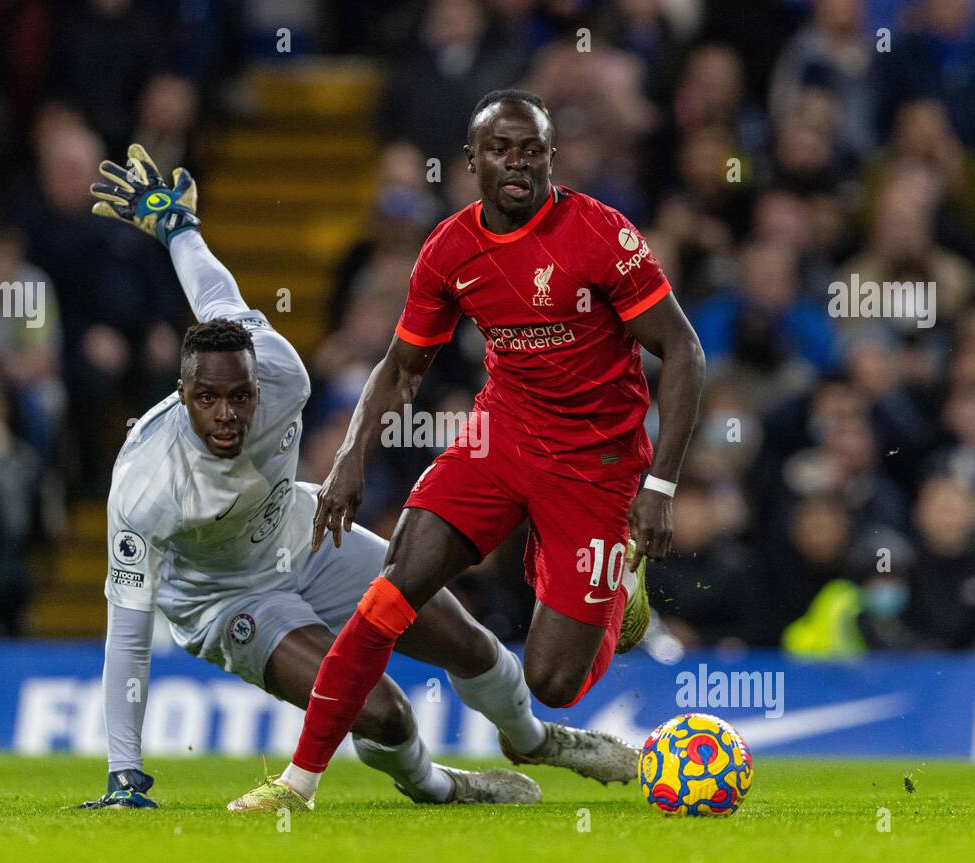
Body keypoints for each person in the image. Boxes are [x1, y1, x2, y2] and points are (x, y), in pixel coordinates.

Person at [79, 144, 639, 811]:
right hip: (227, 600)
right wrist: (123, 773)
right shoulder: (146, 484)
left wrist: (179, 228)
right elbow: (128, 630)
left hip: (307, 535)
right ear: (183, 391)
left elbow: (215, 294)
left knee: (469, 643)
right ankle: (441, 787)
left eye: (240, 398)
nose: (228, 415)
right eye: (208, 401)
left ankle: (535, 738)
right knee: (384, 713)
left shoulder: (282, 372)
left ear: (258, 382)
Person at [232, 90, 705, 812]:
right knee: (389, 594)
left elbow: (683, 351)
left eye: (532, 151)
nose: (517, 163)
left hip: (598, 464)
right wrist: (352, 458)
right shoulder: (452, 248)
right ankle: (299, 783)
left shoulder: (600, 235)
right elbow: (399, 369)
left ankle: (619, 595)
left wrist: (661, 488)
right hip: (501, 438)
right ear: (471, 161)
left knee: (553, 681)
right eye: (500, 150)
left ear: (551, 158)